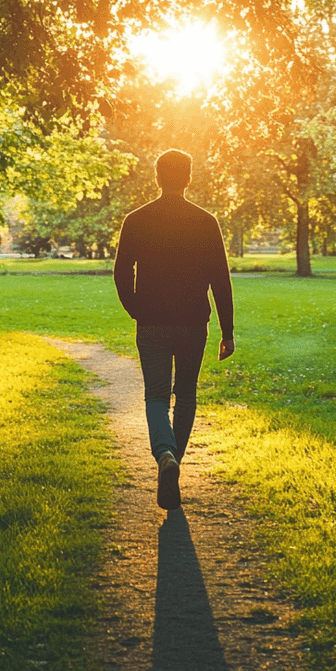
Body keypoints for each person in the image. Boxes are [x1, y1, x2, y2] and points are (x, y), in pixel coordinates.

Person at [114, 149, 235, 510]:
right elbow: (221, 280)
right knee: (185, 395)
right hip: (193, 324)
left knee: (155, 396)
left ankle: (165, 457)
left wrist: (137, 309)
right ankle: (174, 463)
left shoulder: (136, 219)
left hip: (151, 322)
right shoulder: (205, 221)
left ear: (157, 177)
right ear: (188, 178)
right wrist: (227, 331)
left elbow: (122, 273)